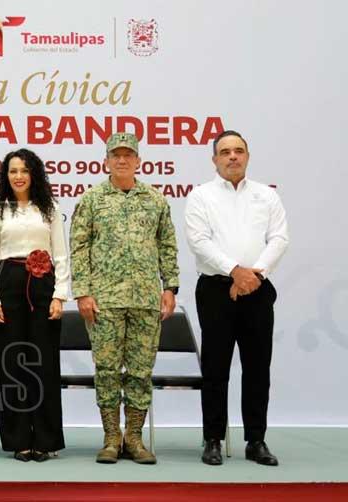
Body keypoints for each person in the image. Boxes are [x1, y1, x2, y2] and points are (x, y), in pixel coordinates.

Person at [70, 132, 179, 465]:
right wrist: (83, 291)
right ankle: (110, 438)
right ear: (106, 161)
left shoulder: (155, 200)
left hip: (146, 299)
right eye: (115, 155)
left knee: (140, 371)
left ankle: (134, 437)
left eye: (127, 155)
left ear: (138, 161)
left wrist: (170, 287)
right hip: (104, 301)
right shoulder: (92, 199)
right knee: (106, 370)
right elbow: (79, 247)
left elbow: (167, 245)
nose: (122, 160)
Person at [185, 130, 289, 466]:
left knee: (258, 368)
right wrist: (234, 271)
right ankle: (213, 439)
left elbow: (279, 239)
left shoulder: (266, 196)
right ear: (214, 159)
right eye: (225, 151)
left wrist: (252, 275)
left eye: (239, 151)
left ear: (247, 156)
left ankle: (256, 440)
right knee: (215, 368)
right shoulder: (200, 196)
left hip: (257, 288)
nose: (233, 156)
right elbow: (199, 242)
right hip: (216, 290)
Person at [0, 149, 69, 462]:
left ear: (34, 174)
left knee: (44, 364)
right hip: (8, 285)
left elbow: (61, 255)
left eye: (24, 170)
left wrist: (59, 294)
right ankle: (18, 439)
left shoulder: (50, 208)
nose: (18, 176)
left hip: (44, 286)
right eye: (13, 171)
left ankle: (46, 440)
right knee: (12, 364)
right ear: (5, 176)